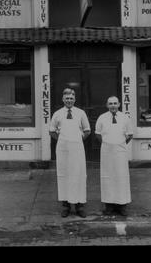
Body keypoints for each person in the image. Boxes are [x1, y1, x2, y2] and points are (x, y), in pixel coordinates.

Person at [49, 88, 91, 218]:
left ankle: (79, 206)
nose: (69, 100)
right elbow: (52, 131)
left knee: (78, 174)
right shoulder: (57, 114)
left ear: (75, 99)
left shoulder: (81, 113)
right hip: (63, 149)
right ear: (63, 99)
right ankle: (66, 205)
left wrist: (76, 140)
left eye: (71, 98)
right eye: (67, 98)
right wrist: (63, 140)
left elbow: (87, 130)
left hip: (77, 148)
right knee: (64, 175)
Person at [95, 96, 134, 216]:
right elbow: (98, 134)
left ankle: (122, 206)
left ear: (119, 104)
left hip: (120, 152)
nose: (113, 106)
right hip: (106, 152)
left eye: (115, 103)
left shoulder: (125, 118)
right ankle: (109, 205)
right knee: (108, 177)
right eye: (110, 103)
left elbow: (130, 135)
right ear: (107, 105)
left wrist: (119, 144)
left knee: (121, 177)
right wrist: (109, 144)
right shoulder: (102, 118)